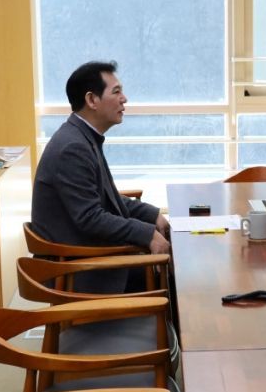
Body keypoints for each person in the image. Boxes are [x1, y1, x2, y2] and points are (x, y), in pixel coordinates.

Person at [31, 61, 170, 292]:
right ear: (92, 100)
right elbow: (90, 217)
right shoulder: (73, 148)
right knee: (174, 276)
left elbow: (106, 198)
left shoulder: (82, 137)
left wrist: (151, 214)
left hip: (88, 255)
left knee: (172, 264)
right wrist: (146, 234)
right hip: (79, 270)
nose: (124, 99)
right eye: (116, 92)